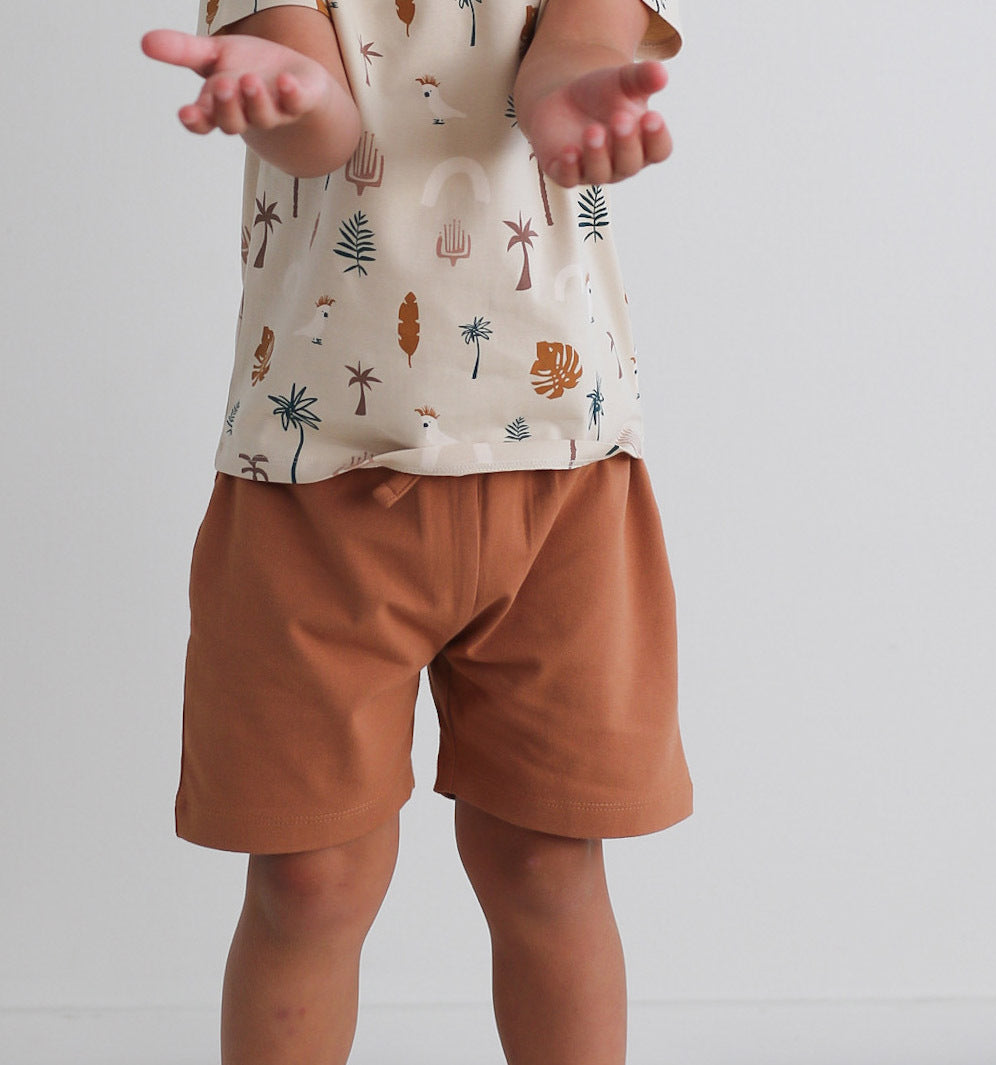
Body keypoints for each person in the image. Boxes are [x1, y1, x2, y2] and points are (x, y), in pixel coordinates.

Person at [143, 0, 692, 1061]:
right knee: (307, 880)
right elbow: (322, 129)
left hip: (562, 477)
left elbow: (572, 51)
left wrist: (576, 103)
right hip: (311, 473)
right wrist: (283, 94)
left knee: (546, 862)